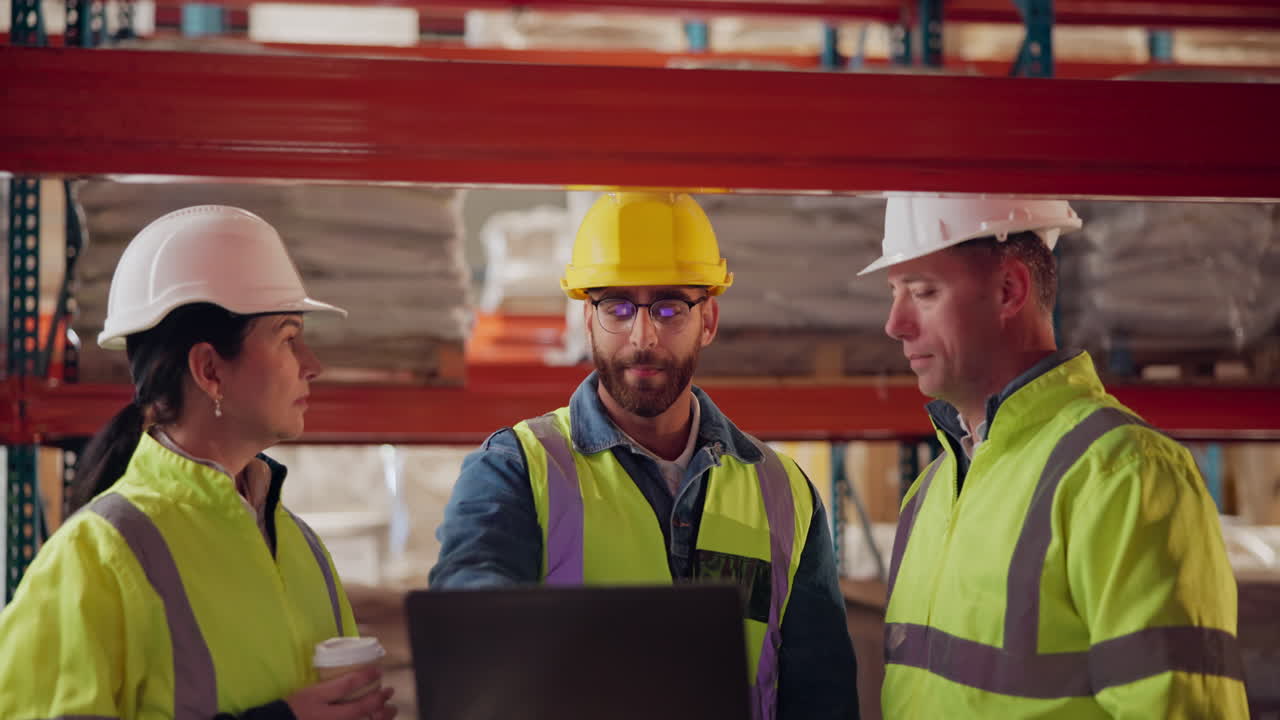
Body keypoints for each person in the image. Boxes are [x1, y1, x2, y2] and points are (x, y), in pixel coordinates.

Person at [431, 191, 859, 719]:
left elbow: (822, 694)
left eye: (668, 307)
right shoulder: (516, 470)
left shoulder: (783, 493)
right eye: (617, 307)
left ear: (709, 320)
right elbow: (469, 626)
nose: (643, 335)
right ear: (587, 320)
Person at [0, 206, 397, 720]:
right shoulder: (93, 559)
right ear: (210, 370)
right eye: (287, 337)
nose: (312, 365)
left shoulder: (303, 548)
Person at [864, 196, 1248, 718]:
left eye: (923, 292)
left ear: (1009, 290)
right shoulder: (928, 493)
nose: (895, 323)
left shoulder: (1121, 473)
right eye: (893, 293)